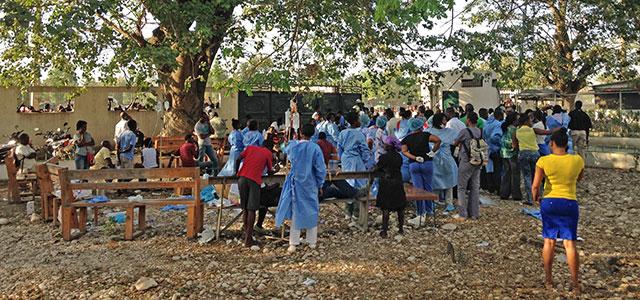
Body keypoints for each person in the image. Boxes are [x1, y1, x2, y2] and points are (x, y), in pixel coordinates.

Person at [532, 128, 584, 295]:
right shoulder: (577, 160)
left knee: (549, 241)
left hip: (550, 201)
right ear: (566, 144)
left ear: (552, 143)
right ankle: (575, 284)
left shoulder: (543, 161)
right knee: (570, 244)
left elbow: (535, 186)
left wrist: (536, 198)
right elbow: (579, 178)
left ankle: (548, 281)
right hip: (570, 202)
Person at [275, 124, 327, 253]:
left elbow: (282, 148)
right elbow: (320, 169)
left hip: (296, 182)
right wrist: (320, 184)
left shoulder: (293, 146)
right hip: (310, 183)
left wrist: (288, 138)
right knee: (312, 209)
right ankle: (312, 241)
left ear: (301, 133)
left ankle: (294, 241)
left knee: (296, 210)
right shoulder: (315, 148)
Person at [401, 118, 441, 226]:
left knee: (418, 190)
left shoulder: (406, 138)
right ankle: (430, 211)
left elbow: (404, 151)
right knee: (428, 187)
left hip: (414, 164)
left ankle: (420, 213)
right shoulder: (426, 135)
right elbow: (438, 140)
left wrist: (414, 157)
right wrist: (433, 152)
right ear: (420, 126)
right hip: (427, 163)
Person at [235, 139, 275, 247]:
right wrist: (275, 169)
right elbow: (270, 172)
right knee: (251, 209)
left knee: (245, 208)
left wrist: (236, 172)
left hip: (241, 178)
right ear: (270, 147)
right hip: (254, 180)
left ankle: (246, 234)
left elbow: (238, 158)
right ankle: (248, 239)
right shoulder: (268, 153)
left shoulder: (250, 148)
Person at [337, 111, 371, 219]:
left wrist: (342, 159)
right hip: (356, 159)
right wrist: (365, 160)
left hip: (346, 158)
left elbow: (340, 148)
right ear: (355, 121)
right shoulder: (359, 134)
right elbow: (365, 149)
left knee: (348, 183)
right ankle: (357, 212)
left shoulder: (343, 133)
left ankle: (348, 212)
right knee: (360, 183)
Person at [375, 136, 406, 237]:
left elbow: (377, 168)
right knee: (400, 207)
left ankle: (384, 231)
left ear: (388, 146)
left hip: (387, 182)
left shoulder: (383, 157)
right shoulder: (399, 157)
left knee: (386, 207)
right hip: (398, 181)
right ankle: (401, 229)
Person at [453, 112, 482, 221]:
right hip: (477, 160)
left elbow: (455, 142)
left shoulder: (464, 131)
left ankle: (463, 214)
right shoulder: (479, 131)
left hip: (466, 161)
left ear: (468, 120)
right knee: (475, 187)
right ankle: (474, 213)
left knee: (461, 188)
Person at [427, 113, 458, 212]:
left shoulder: (429, 132)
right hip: (442, 159)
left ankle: (441, 202)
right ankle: (446, 202)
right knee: (439, 180)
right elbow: (456, 141)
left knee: (441, 181)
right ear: (439, 121)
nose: (446, 122)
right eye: (444, 120)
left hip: (438, 159)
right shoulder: (449, 132)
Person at [513, 114, 540, 205]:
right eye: (530, 120)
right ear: (526, 122)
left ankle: (529, 199)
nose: (531, 122)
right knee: (537, 176)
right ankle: (537, 196)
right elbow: (547, 132)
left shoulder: (516, 131)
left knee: (527, 177)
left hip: (523, 154)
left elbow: (515, 145)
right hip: (534, 153)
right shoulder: (533, 130)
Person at [499, 113, 523, 200]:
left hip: (504, 152)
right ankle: (516, 195)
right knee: (515, 174)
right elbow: (514, 143)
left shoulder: (505, 128)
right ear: (514, 120)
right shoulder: (514, 129)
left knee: (506, 173)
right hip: (512, 153)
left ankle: (504, 193)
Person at [483, 109, 504, 194]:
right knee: (498, 169)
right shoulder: (498, 124)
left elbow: (483, 136)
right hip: (496, 149)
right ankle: (498, 188)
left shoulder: (487, 123)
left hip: (488, 148)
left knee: (489, 168)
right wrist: (499, 143)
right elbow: (495, 136)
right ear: (500, 116)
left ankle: (490, 187)